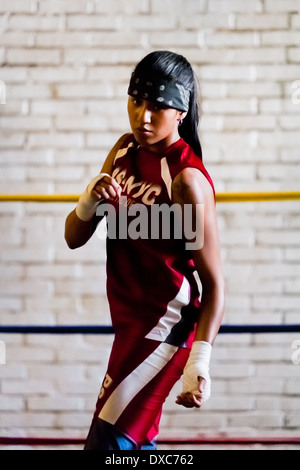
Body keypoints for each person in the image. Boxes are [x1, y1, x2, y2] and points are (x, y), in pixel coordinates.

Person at [65, 50, 225, 451]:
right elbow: (73, 237)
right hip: (129, 324)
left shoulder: (186, 180)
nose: (144, 117)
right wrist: (89, 200)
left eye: (158, 107)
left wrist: (198, 361)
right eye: (137, 102)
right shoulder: (122, 152)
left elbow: (215, 286)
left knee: (107, 444)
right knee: (129, 446)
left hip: (164, 329)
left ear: (181, 113)